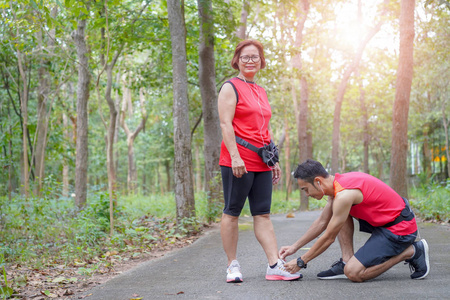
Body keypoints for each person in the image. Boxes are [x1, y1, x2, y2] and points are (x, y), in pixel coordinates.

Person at [218, 39, 302, 283]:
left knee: (263, 214)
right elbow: (226, 124)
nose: (250, 60)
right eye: (245, 57)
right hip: (238, 160)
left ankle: (274, 264)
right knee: (232, 212)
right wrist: (234, 157)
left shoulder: (260, 90)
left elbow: (264, 127)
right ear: (237, 60)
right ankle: (232, 266)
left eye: (255, 56)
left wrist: (273, 158)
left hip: (261, 160)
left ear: (261, 61)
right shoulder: (229, 87)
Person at [279, 159, 430, 282]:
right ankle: (346, 260)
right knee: (338, 214)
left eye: (305, 189)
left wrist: (301, 261)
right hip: (385, 224)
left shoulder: (344, 195)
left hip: (400, 229)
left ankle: (411, 251)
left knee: (353, 273)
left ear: (318, 181)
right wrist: (294, 247)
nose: (306, 194)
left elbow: (328, 238)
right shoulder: (336, 186)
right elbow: (322, 222)